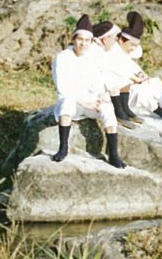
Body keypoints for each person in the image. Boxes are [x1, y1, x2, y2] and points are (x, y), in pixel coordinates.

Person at [50, 14, 125, 168]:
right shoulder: (62, 58)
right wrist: (84, 102)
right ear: (73, 39)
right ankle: (63, 148)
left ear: (91, 42)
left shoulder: (94, 56)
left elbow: (101, 79)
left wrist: (101, 96)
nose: (83, 44)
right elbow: (63, 88)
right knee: (67, 103)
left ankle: (113, 154)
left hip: (91, 102)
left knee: (108, 108)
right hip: (73, 103)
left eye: (87, 40)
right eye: (80, 39)